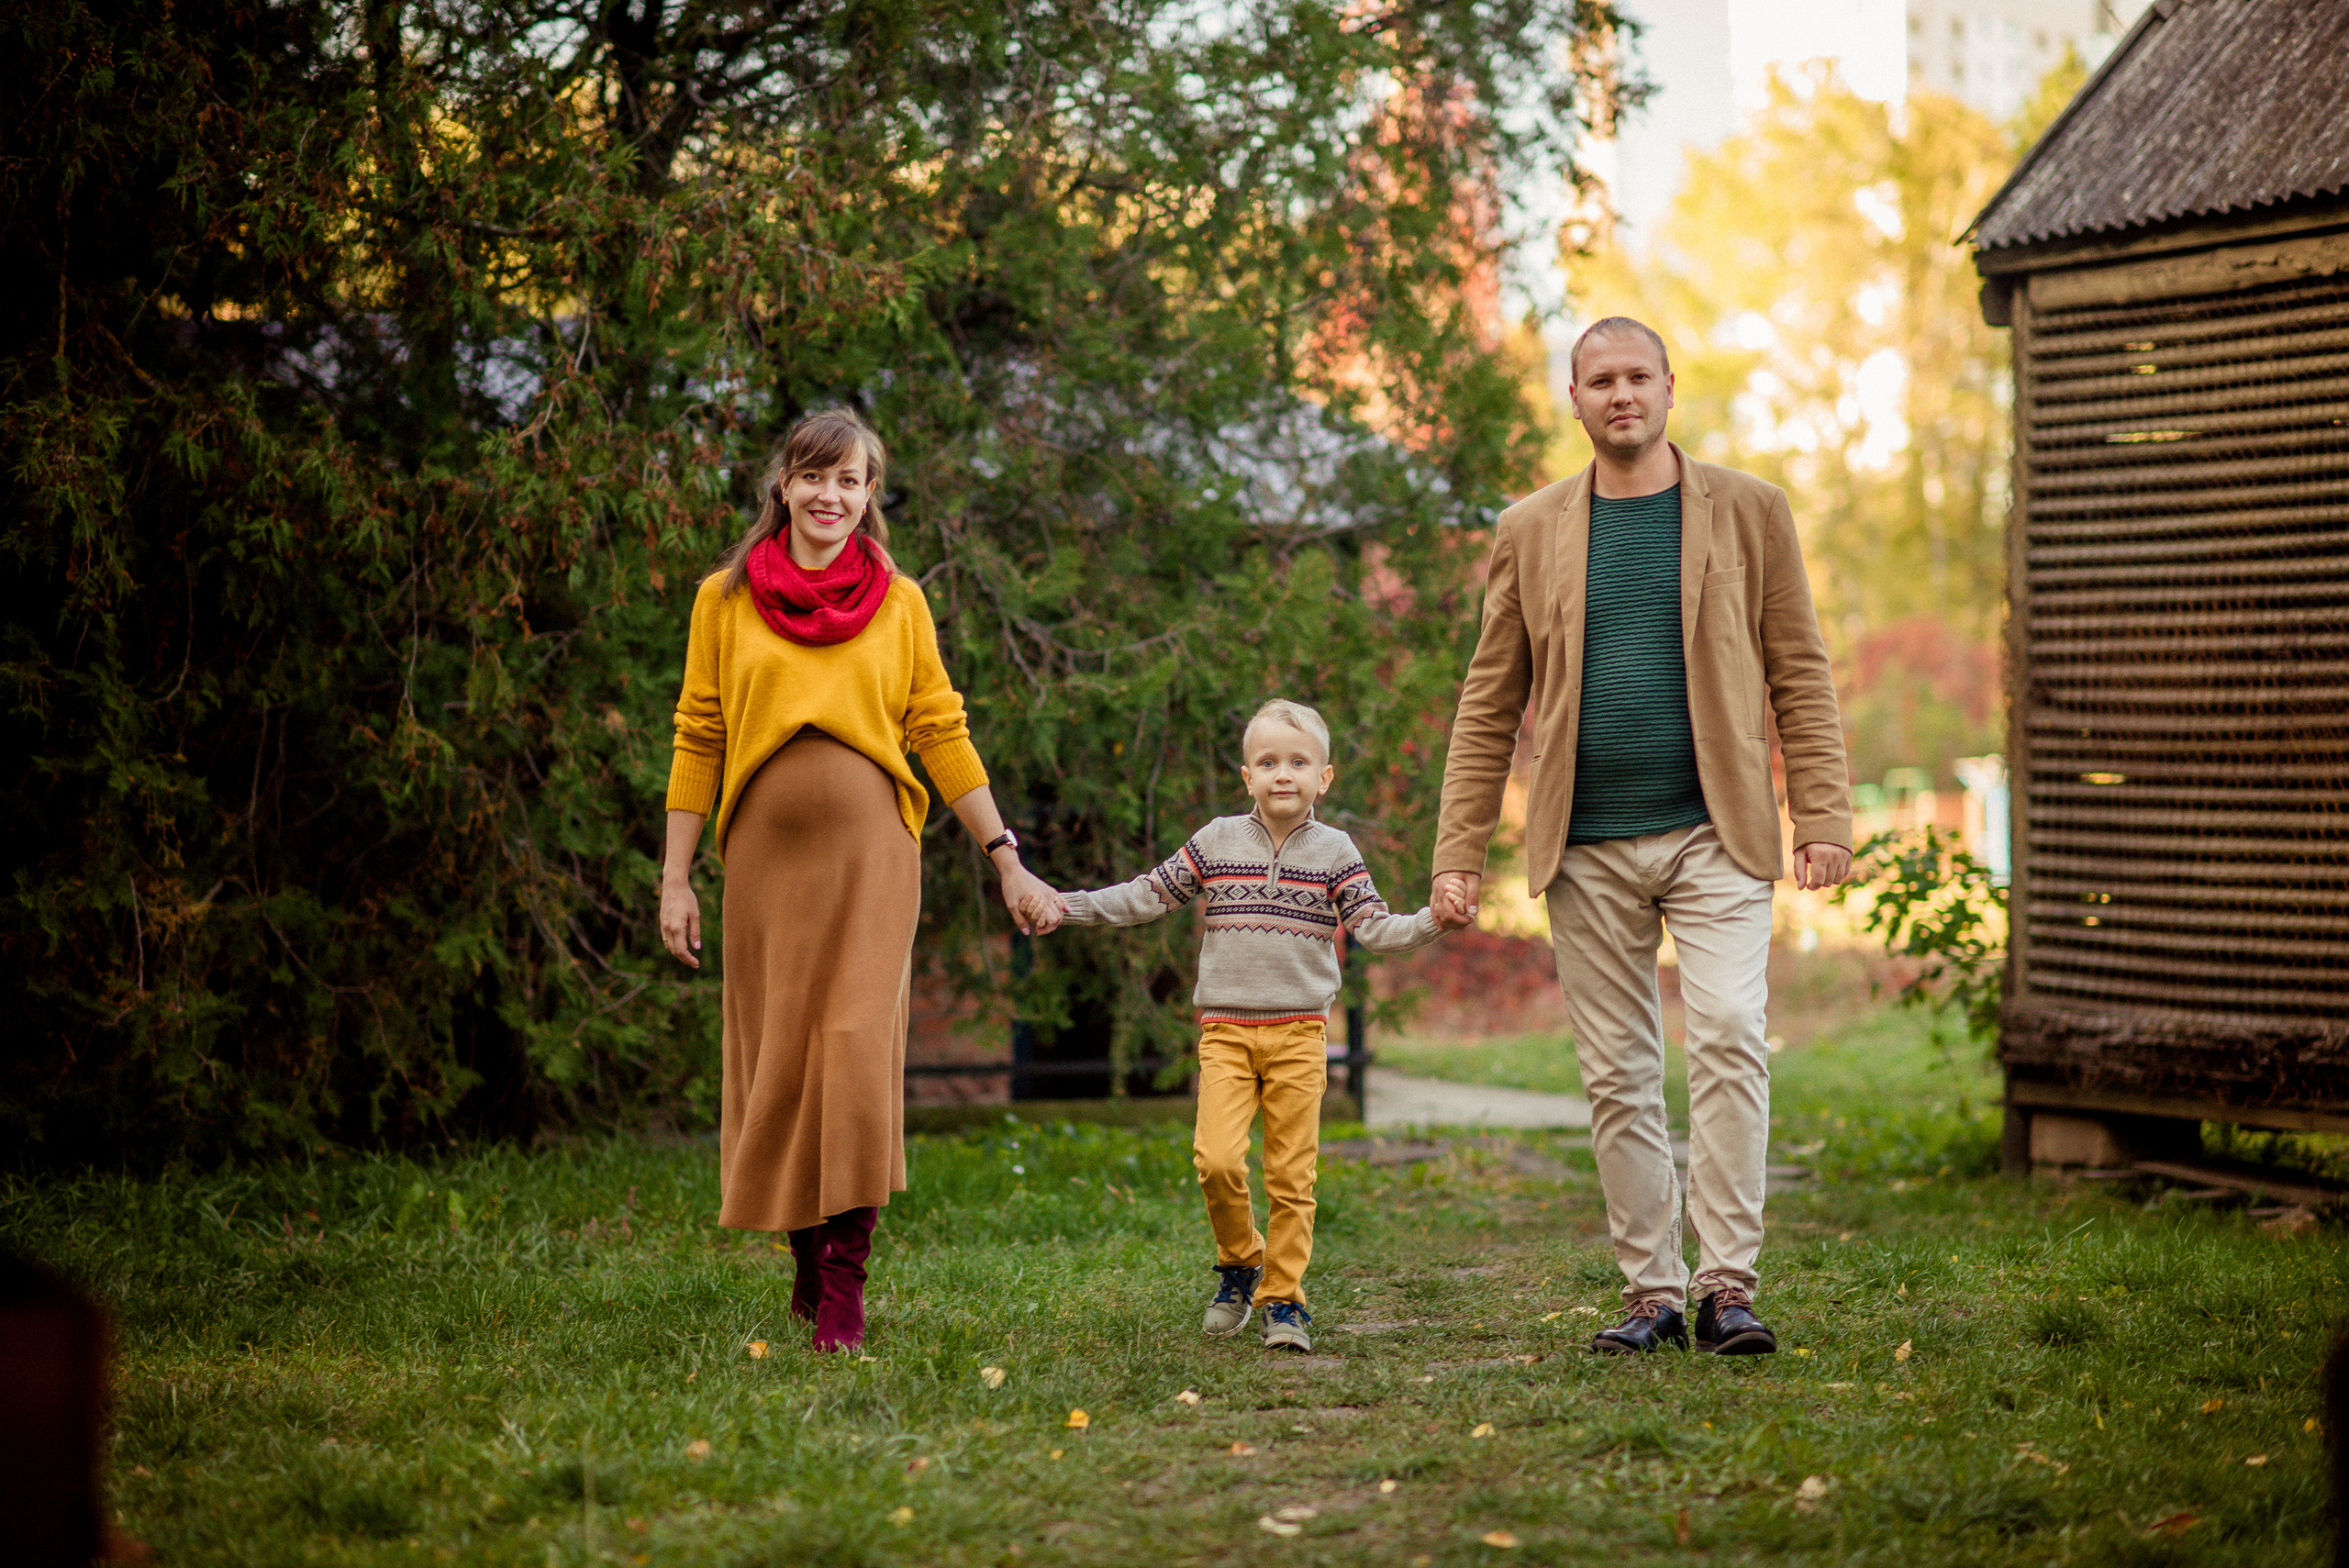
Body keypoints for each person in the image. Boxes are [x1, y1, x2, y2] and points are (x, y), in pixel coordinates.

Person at [1430, 317, 1852, 1357]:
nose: (1621, 394)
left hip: (1718, 831)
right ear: (1573, 399)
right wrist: (1457, 849)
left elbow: (1798, 666)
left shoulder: (1749, 510)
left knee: (1725, 1034)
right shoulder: (1529, 528)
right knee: (1617, 1071)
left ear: (1670, 387)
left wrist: (1825, 814)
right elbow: (1490, 701)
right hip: (1584, 842)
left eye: (1637, 376)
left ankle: (1727, 1287)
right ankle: (1652, 1295)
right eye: (1599, 379)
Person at [657, 408, 1060, 1354]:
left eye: (850, 479)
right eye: (813, 476)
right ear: (782, 487)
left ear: (869, 494)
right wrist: (676, 879)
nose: (830, 494)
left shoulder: (901, 601)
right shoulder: (723, 599)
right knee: (785, 1060)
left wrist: (1006, 855)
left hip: (875, 857)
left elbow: (939, 729)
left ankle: (844, 1288)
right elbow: (697, 735)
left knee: (851, 1049)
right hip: (763, 861)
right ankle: (805, 1257)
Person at [1041, 699, 1442, 1353]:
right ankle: (1240, 1262)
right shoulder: (1216, 841)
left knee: (1292, 1176)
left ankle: (1284, 1300)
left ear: (1325, 777)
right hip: (1226, 1030)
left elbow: (1374, 926)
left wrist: (1430, 921)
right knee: (1218, 1160)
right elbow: (1147, 894)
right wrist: (1069, 907)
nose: (1282, 774)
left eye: (1297, 761)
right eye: (1268, 762)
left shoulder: (1336, 851)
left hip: (1299, 1035)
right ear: (1246, 775)